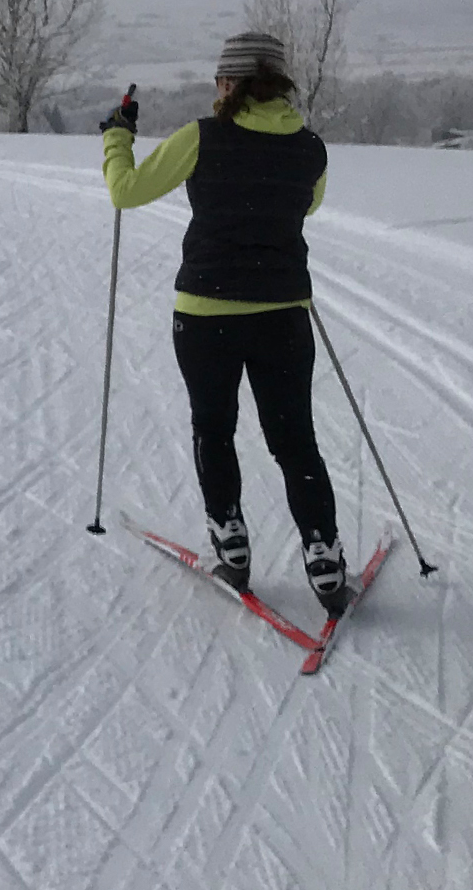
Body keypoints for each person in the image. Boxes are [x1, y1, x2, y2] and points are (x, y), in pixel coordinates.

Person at [100, 32, 349, 613]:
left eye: (220, 81)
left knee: (214, 427)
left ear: (230, 84)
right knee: (294, 439)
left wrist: (117, 135)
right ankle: (325, 556)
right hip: (283, 314)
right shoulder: (311, 148)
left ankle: (231, 546)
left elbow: (125, 191)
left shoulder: (201, 138)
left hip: (204, 315)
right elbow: (305, 206)